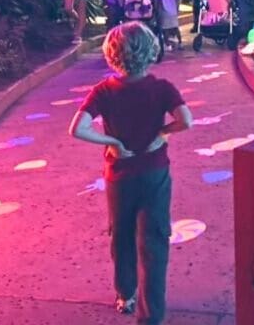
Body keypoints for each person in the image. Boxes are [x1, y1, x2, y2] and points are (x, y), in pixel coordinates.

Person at [68, 22, 193, 324]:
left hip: (119, 175)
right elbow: (185, 121)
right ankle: (151, 314)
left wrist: (112, 142)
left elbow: (78, 128)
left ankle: (126, 293)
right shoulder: (162, 89)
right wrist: (162, 133)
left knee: (121, 234)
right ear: (151, 51)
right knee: (154, 239)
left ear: (112, 56)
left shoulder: (104, 91)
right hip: (154, 173)